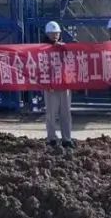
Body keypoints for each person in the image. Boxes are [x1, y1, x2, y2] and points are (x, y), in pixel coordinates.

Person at [43, 21, 75, 149]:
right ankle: (51, 138)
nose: (55, 35)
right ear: (47, 34)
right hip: (50, 86)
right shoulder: (41, 49)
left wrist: (65, 48)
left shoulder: (64, 48)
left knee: (65, 113)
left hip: (64, 85)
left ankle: (67, 139)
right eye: (52, 33)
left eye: (57, 33)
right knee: (51, 114)